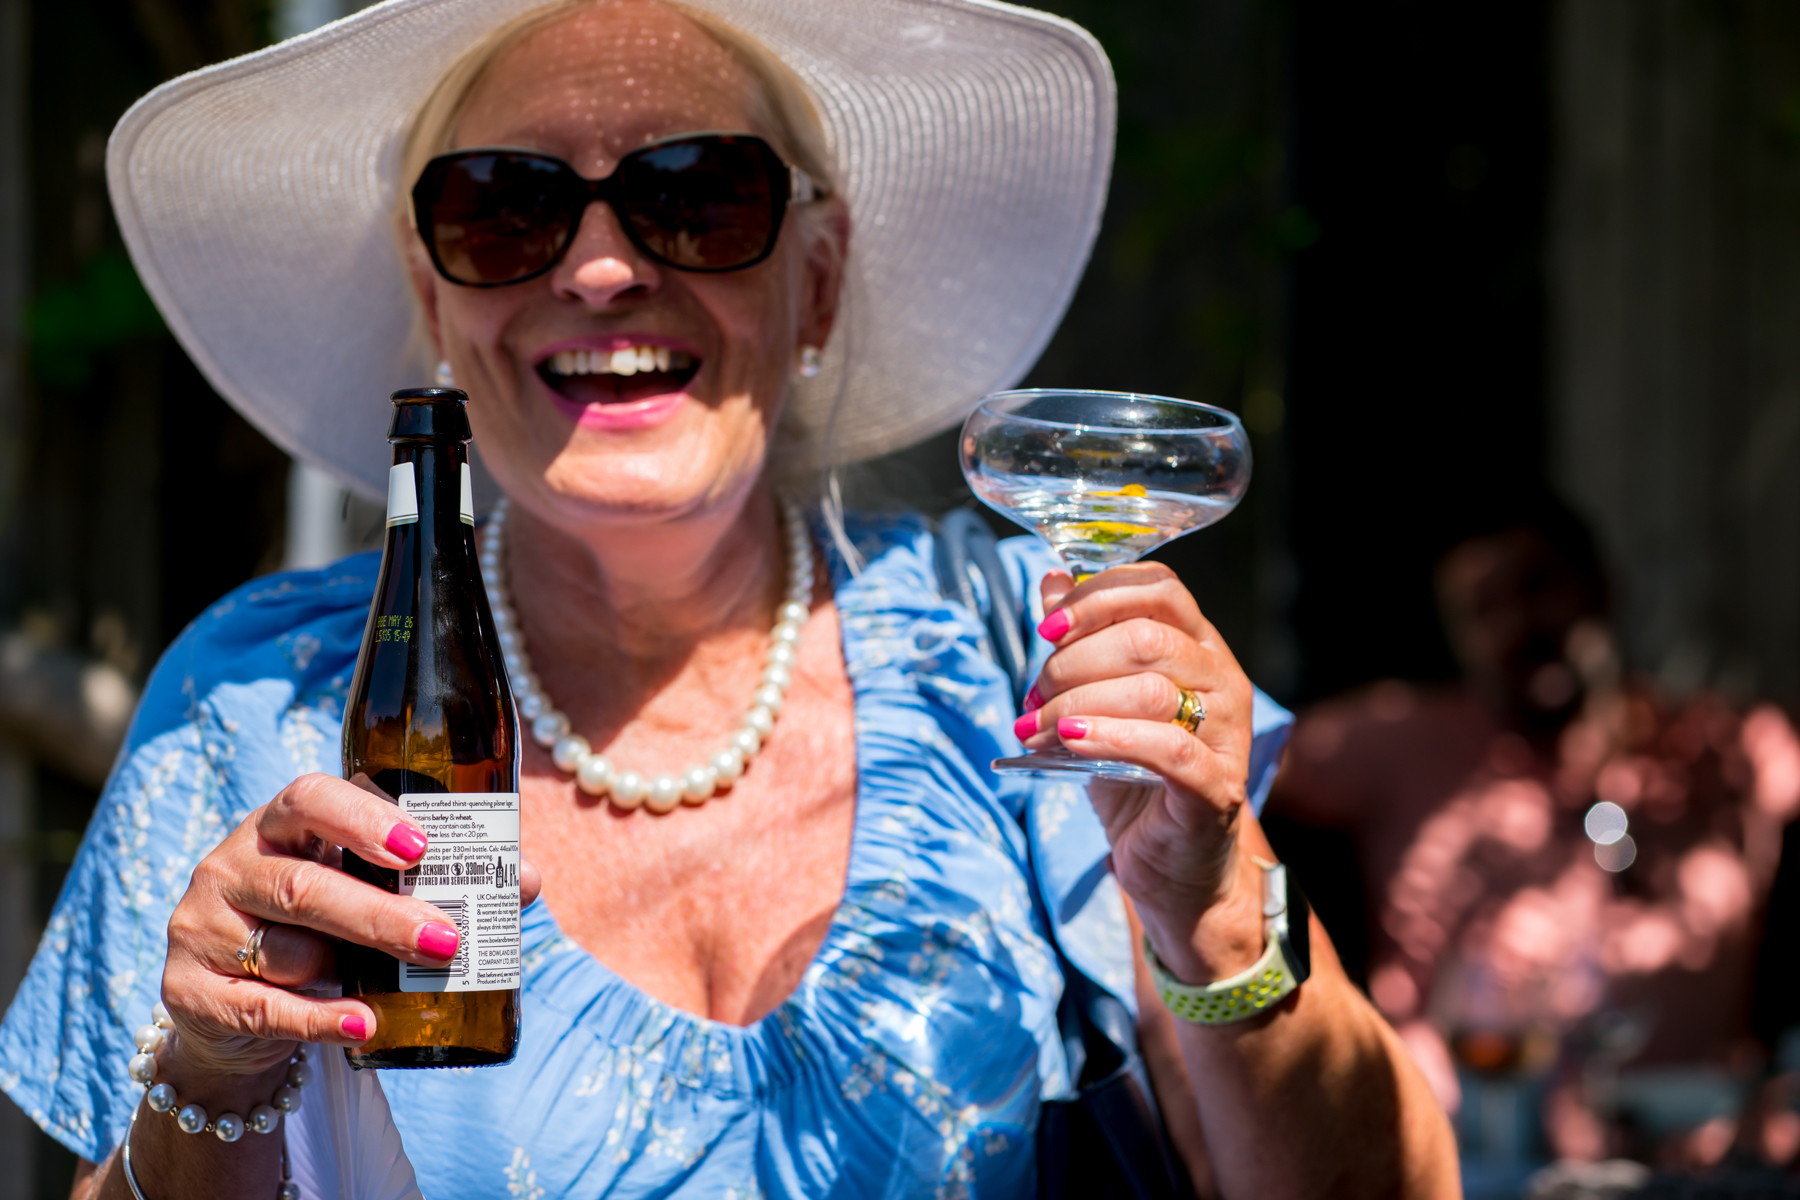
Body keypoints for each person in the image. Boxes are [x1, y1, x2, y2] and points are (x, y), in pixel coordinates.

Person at [0, 0, 1457, 1195]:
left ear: (816, 283)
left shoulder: (1026, 648)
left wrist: (1215, 912)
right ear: (435, 297)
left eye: (697, 196)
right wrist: (210, 1078)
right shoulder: (260, 699)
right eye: (504, 209)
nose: (601, 267)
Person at [1270, 496, 1800, 1174]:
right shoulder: (1404, 740)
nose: (1518, 625)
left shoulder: (1729, 752)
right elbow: (1228, 754)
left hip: (1702, 1153)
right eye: (1482, 610)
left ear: (1602, 587)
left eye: (1538, 586)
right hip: (1465, 1152)